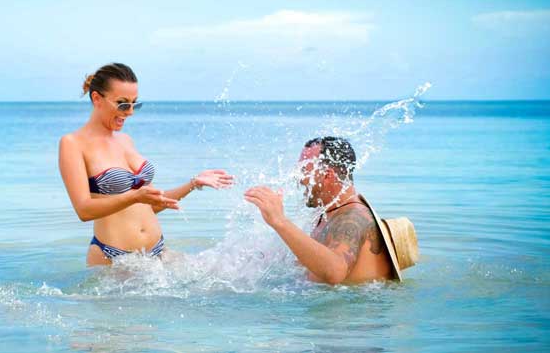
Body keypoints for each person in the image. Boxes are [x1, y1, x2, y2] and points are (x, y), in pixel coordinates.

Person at [59, 63, 233, 266]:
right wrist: (134, 197)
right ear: (97, 98)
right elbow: (84, 210)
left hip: (158, 252)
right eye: (122, 103)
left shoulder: (125, 140)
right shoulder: (73, 144)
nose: (130, 112)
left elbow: (149, 205)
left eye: (134, 103)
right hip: (115, 258)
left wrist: (193, 184)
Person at [244, 136, 418, 284]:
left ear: (327, 175)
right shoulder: (326, 214)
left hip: (352, 320)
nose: (299, 178)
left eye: (304, 170)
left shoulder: (354, 218)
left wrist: (280, 222)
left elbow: (335, 271)